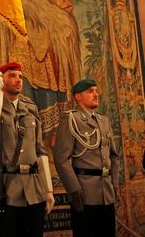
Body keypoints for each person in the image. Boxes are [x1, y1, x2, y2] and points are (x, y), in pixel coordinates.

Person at [3, 0, 80, 141]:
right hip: (26, 33)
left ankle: (52, 140)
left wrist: (60, 19)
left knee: (52, 88)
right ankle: (27, 134)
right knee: (24, 81)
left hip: (50, 36)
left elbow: (64, 4)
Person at [0, 62, 55, 237]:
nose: (18, 80)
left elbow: (40, 150)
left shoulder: (30, 108)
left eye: (20, 76)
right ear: (1, 80)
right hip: (5, 188)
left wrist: (48, 189)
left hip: (33, 190)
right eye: (12, 76)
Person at [53, 79, 119, 237]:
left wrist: (114, 184)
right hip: (85, 194)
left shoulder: (104, 121)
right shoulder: (71, 119)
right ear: (78, 97)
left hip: (107, 193)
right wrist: (74, 190)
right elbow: (61, 159)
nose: (96, 94)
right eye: (90, 91)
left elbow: (114, 156)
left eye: (96, 91)